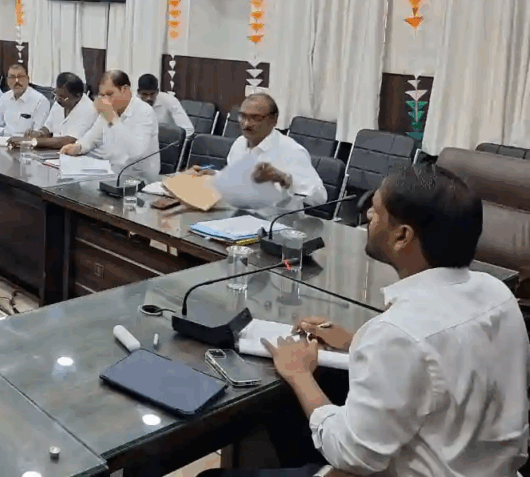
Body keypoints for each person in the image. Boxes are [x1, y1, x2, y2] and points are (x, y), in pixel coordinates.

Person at [201, 165, 530, 477]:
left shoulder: (398, 333)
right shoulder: (497, 293)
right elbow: (444, 360)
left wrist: (298, 373)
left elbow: (352, 454)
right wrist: (356, 341)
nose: (368, 215)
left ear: (402, 236)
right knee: (292, 416)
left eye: (377, 211)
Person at [196, 93, 326, 206]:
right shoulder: (239, 143)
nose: (246, 124)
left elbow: (320, 198)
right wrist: (215, 175)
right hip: (240, 214)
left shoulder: (292, 151)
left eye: (255, 118)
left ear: (274, 120)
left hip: (277, 220)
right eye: (242, 116)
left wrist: (285, 179)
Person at [61, 70, 160, 176]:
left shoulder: (144, 112)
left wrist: (113, 119)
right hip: (112, 172)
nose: (106, 100)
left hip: (139, 176)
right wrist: (78, 147)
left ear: (125, 90)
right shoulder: (110, 110)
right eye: (102, 95)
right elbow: (93, 137)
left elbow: (136, 153)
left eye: (109, 94)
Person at [12, 72, 96, 150]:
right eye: (56, 94)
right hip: (53, 153)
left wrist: (30, 142)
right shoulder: (60, 101)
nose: (57, 99)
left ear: (78, 96)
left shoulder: (89, 109)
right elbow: (48, 128)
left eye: (62, 97)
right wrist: (39, 133)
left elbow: (69, 141)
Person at [0, 64, 51, 136]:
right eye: (12, 77)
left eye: (20, 77)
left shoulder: (40, 101)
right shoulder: (4, 97)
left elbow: (38, 133)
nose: (16, 81)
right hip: (3, 140)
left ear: (28, 79)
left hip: (25, 141)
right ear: (7, 80)